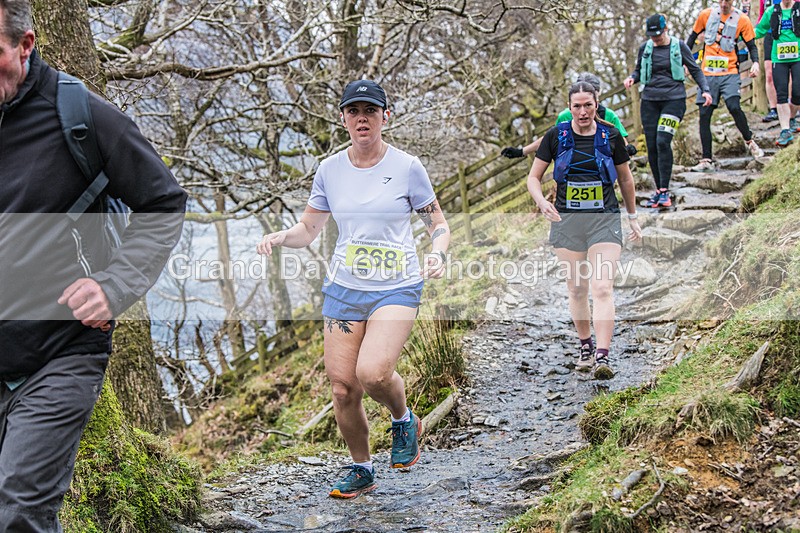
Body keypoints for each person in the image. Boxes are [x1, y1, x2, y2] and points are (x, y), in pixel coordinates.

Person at [0, 0, 187, 530]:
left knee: (19, 511)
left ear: (26, 45)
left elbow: (163, 203)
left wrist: (115, 284)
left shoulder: (79, 115)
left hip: (60, 352)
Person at [257, 80, 450, 499]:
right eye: (353, 111)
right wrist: (280, 237)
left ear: (385, 116)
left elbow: (438, 223)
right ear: (343, 118)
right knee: (343, 388)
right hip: (344, 288)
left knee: (373, 373)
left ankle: (404, 419)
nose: (362, 118)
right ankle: (362, 468)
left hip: (396, 286)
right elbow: (309, 229)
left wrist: (438, 252)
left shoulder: (407, 167)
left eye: (370, 110)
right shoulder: (329, 169)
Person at [526, 81, 642, 380]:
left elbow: (626, 180)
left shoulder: (611, 135)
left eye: (587, 105)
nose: (582, 112)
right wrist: (541, 202)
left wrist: (633, 216)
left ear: (596, 104)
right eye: (576, 106)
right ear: (569, 108)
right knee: (577, 288)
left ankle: (603, 356)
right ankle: (585, 345)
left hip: (604, 218)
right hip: (567, 222)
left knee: (602, 287)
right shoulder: (556, 136)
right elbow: (533, 178)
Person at [624, 14, 713, 208]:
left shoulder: (679, 46)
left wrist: (705, 90)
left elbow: (695, 69)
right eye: (652, 35)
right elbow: (639, 70)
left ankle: (665, 190)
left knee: (663, 140)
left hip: (674, 100)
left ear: (666, 29)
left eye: (658, 34)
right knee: (652, 145)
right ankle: (659, 191)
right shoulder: (644, 48)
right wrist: (632, 77)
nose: (655, 39)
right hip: (649, 101)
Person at [687, 0, 765, 172]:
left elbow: (752, 46)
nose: (724, 4)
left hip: (729, 71)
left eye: (727, 1)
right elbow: (691, 39)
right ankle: (706, 159)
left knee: (734, 106)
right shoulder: (706, 15)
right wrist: (686, 63)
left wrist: (756, 63)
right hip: (708, 74)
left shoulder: (742, 20)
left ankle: (750, 141)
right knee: (704, 113)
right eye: (721, 0)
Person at [501, 72, 637, 159]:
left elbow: (620, 140)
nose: (583, 111)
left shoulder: (609, 115)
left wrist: (628, 148)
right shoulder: (566, 115)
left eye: (591, 93)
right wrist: (522, 151)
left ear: (598, 94)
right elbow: (551, 138)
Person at [756, 0, 800, 146]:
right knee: (781, 93)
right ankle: (785, 130)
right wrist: (741, 34)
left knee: (797, 92)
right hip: (779, 58)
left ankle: (791, 118)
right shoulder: (771, 11)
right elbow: (759, 30)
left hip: (798, 57)